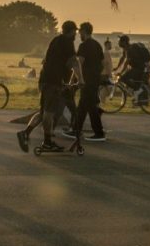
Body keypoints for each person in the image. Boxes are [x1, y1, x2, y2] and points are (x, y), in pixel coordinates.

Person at [17, 20, 82, 153]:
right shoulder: (67, 42)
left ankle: (25, 133)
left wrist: (67, 81)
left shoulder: (55, 40)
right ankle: (47, 142)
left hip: (45, 79)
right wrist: (81, 80)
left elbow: (55, 61)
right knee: (49, 113)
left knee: (43, 111)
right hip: (53, 82)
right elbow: (74, 63)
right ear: (70, 32)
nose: (76, 34)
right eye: (74, 31)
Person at [63, 22, 106, 142]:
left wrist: (72, 80)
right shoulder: (97, 45)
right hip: (94, 80)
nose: (79, 33)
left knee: (90, 107)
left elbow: (79, 64)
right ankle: (76, 130)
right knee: (83, 106)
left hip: (86, 80)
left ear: (85, 31)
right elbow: (103, 64)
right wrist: (96, 74)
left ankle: (99, 133)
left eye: (80, 31)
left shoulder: (84, 46)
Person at [115, 35, 150, 103]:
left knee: (123, 78)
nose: (119, 43)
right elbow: (123, 58)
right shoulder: (126, 49)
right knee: (137, 86)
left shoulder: (130, 49)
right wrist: (117, 68)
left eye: (120, 41)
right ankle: (138, 101)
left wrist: (121, 72)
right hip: (138, 68)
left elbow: (127, 62)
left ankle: (138, 92)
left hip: (138, 69)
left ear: (124, 42)